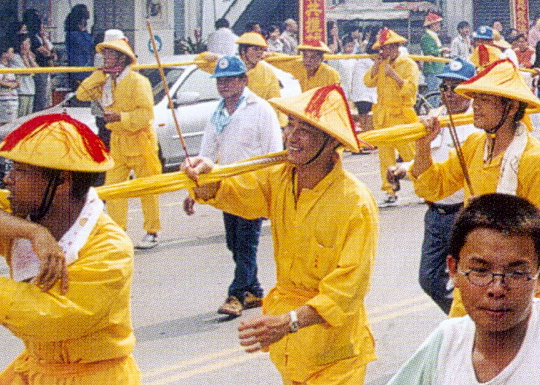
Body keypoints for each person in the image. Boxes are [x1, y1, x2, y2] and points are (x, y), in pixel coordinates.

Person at [182, 85, 379, 385]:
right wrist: (208, 176)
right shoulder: (280, 179)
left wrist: (291, 321)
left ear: (331, 142)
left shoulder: (355, 203)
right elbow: (235, 193)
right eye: (291, 126)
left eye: (306, 129)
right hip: (291, 347)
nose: (292, 137)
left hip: (335, 354)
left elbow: (348, 290)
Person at [387, 193, 540, 385]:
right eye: (480, 271)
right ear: (453, 270)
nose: (497, 288)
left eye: (517, 273)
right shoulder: (446, 344)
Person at [0, 113, 141, 384]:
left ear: (62, 182)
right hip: (37, 371)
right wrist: (33, 231)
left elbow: (50, 318)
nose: (8, 180)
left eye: (21, 171)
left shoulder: (110, 248)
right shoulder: (27, 214)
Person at [411, 58, 540, 314]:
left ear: (511, 106)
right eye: (476, 98)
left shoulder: (536, 161)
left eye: (484, 99)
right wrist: (423, 146)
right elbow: (432, 187)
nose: (476, 106)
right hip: (473, 276)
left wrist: (494, 241)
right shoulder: (474, 145)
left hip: (517, 285)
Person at [184, 55, 284, 318]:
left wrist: (272, 191)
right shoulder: (217, 114)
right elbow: (206, 153)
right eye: (220, 80)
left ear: (244, 80)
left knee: (246, 243)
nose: (224, 85)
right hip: (227, 189)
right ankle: (255, 290)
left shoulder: (261, 109)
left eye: (230, 79)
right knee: (233, 242)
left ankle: (236, 295)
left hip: (254, 187)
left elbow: (274, 153)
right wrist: (193, 192)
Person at [391, 58, 476, 313]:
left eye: (455, 87)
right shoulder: (434, 119)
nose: (448, 94)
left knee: (469, 280)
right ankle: (467, 320)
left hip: (463, 212)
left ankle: (470, 323)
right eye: (444, 87)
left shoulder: (476, 127)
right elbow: (427, 163)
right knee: (429, 279)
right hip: (436, 214)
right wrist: (404, 168)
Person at [75, 36, 161, 249]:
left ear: (122, 58)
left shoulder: (139, 82)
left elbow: (146, 114)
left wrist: (121, 117)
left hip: (140, 140)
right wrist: (99, 74)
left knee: (147, 188)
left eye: (111, 53)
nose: (105, 57)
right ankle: (117, 232)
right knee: (113, 188)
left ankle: (152, 231)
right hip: (118, 141)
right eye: (104, 53)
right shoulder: (106, 81)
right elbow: (82, 94)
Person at [366, 27, 421, 205]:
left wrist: (395, 76)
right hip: (383, 115)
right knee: (385, 156)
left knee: (410, 154)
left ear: (397, 47)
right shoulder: (381, 64)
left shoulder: (409, 65)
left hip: (401, 114)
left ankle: (423, 185)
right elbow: (367, 82)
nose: (384, 52)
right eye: (382, 49)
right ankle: (390, 190)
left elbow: (411, 89)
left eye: (388, 48)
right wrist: (377, 64)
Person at [268, 39, 341, 92]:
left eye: (312, 57)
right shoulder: (296, 65)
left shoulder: (331, 74)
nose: (308, 60)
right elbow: (281, 60)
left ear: (321, 58)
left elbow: (336, 98)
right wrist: (269, 55)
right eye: (305, 56)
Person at [0, 42, 23, 128]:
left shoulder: (10, 67)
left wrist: (16, 84)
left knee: (12, 121)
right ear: (4, 54)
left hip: (13, 97)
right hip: (5, 98)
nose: (13, 54)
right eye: (11, 52)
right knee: (3, 121)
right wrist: (10, 84)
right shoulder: (0, 67)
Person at [64, 4, 95, 85]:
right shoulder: (73, 34)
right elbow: (87, 45)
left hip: (86, 65)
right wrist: (84, 32)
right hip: (79, 67)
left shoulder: (80, 33)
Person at [420, 12, 448, 92]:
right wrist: (441, 50)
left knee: (438, 91)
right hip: (432, 67)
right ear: (432, 25)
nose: (439, 25)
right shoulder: (426, 37)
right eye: (438, 24)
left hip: (438, 67)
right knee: (433, 91)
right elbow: (429, 51)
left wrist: (442, 52)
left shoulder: (433, 36)